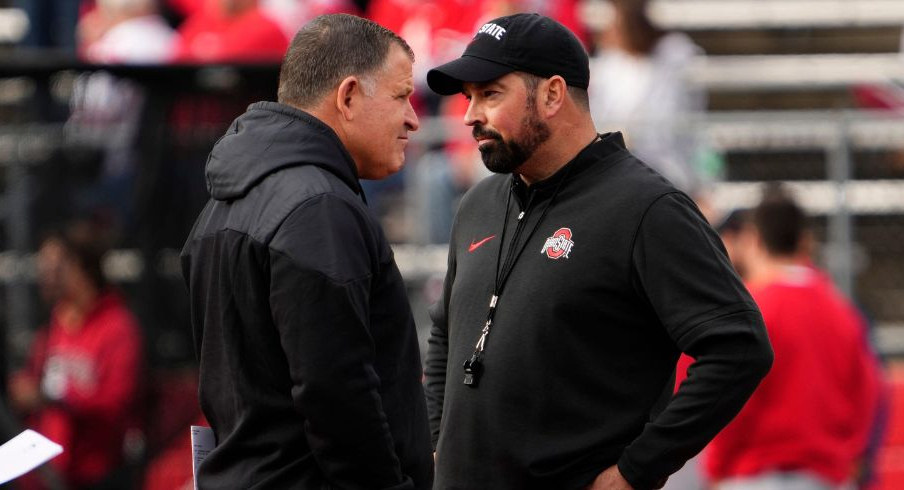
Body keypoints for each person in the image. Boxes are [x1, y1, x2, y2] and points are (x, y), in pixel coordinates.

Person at [423, 12, 773, 489]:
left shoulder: (647, 207)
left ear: (552, 94)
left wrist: (637, 469)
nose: (470, 115)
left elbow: (739, 347)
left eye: (490, 94)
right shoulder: (479, 203)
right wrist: (438, 438)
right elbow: (447, 332)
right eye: (469, 98)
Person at [180, 13, 433, 489]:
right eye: (401, 96)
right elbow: (337, 395)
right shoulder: (318, 207)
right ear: (349, 95)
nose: (414, 118)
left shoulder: (221, 205)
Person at [702, 188, 883, 490]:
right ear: (805, 241)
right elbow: (868, 394)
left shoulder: (752, 311)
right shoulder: (841, 310)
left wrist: (716, 468)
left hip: (754, 473)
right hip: (828, 475)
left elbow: (726, 398)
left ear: (753, 240)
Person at [9, 220, 145, 489]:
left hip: (95, 475)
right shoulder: (54, 324)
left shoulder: (117, 325)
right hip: (47, 475)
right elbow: (34, 385)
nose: (49, 276)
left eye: (57, 267)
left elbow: (118, 404)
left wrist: (57, 400)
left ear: (81, 267)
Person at [587, 0, 708, 195]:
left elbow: (670, 121)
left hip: (663, 164)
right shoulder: (609, 63)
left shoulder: (673, 54)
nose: (605, 35)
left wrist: (630, 138)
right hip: (616, 161)